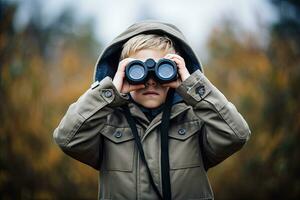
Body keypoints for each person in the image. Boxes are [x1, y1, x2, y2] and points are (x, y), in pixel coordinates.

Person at [53, 20, 251, 200]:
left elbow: (236, 134)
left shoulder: (196, 121)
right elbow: (67, 139)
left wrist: (192, 86)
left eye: (163, 70)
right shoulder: (106, 123)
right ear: (122, 73)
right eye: (136, 71)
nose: (151, 80)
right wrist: (109, 92)